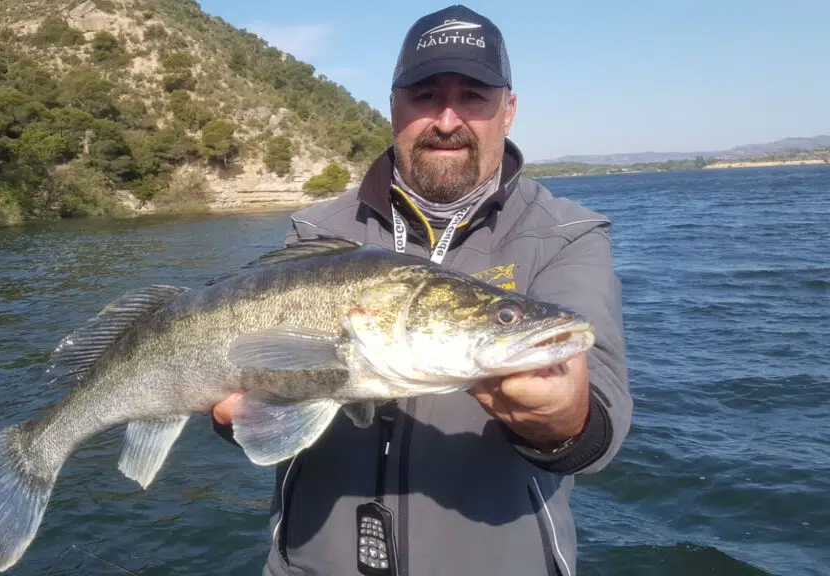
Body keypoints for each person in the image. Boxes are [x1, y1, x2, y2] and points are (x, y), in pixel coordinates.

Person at [212, 5, 632, 575]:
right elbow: (256, 407)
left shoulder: (567, 234)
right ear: (394, 109)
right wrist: (245, 415)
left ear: (508, 112)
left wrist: (565, 422)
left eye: (474, 96)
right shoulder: (315, 232)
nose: (448, 119)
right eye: (426, 95)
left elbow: (598, 418)